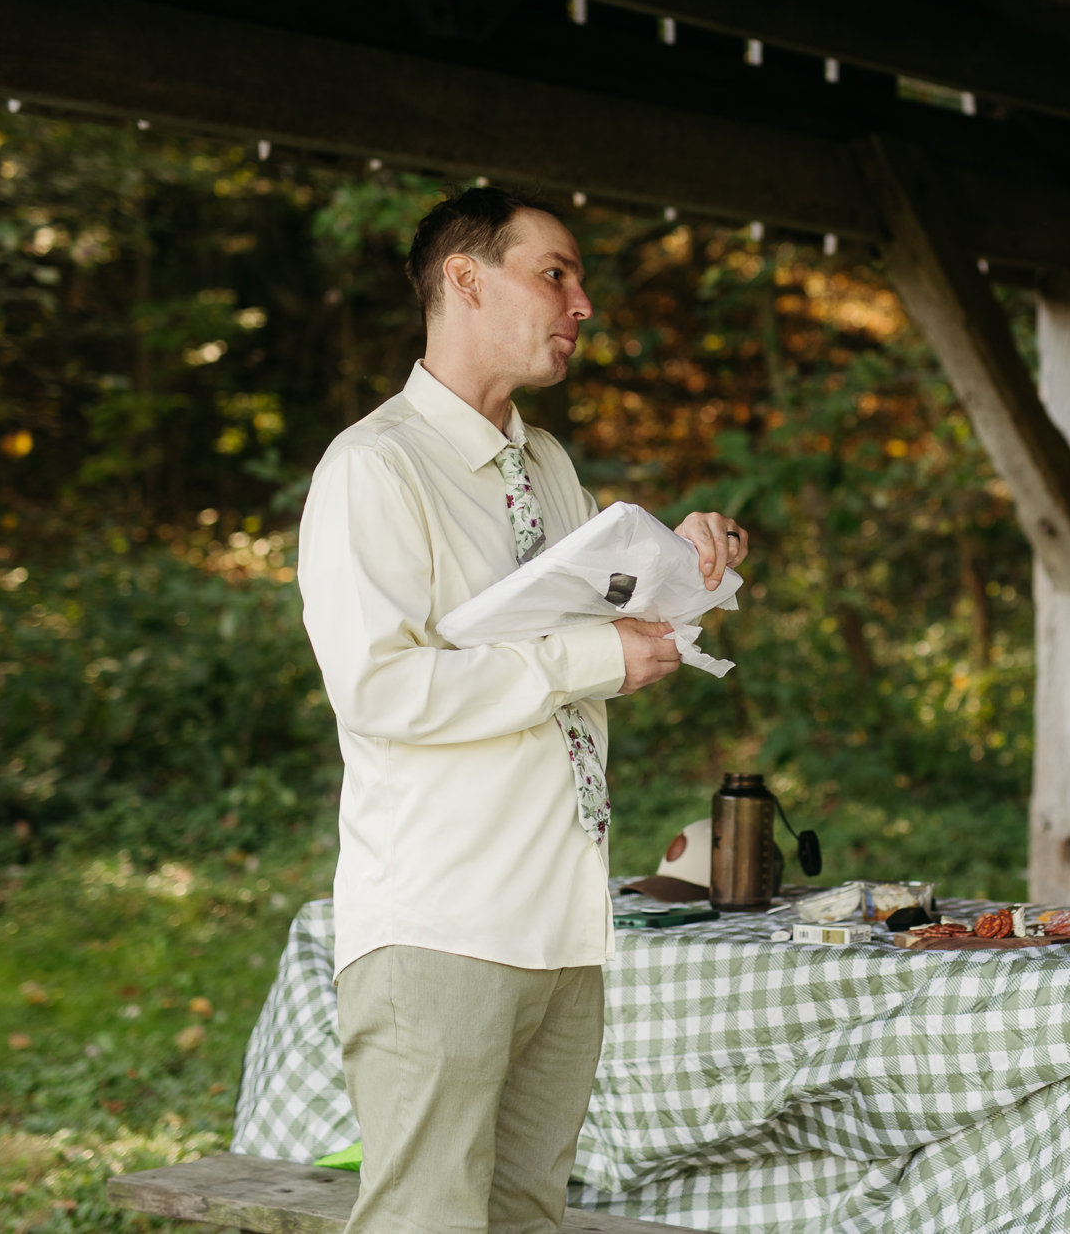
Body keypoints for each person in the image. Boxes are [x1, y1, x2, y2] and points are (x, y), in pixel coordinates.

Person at [296, 185, 749, 1234]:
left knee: (526, 1220)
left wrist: (678, 569)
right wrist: (593, 654)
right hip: (441, 921)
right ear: (463, 280)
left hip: (563, 921)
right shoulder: (375, 467)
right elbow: (381, 690)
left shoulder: (546, 464)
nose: (582, 302)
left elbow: (563, 636)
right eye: (555, 272)